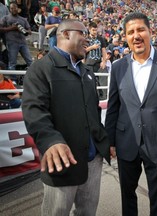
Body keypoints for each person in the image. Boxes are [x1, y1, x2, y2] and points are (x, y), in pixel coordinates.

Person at [22, 19, 111, 216]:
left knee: (87, 212)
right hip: (63, 162)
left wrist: (103, 140)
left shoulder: (88, 72)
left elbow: (94, 111)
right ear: (65, 34)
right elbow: (34, 111)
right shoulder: (41, 68)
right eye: (82, 34)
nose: (87, 39)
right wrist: (51, 141)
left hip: (92, 160)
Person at [105, 12, 157, 216]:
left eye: (140, 29)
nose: (136, 35)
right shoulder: (118, 67)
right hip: (126, 142)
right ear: (125, 37)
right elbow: (113, 106)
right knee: (127, 195)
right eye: (130, 32)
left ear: (150, 32)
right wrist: (110, 141)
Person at [0, 2, 33, 71]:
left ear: (17, 9)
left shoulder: (23, 19)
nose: (13, 9)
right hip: (12, 43)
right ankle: (13, 80)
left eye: (15, 8)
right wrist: (12, 28)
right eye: (11, 8)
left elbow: (30, 31)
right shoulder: (6, 18)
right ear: (9, 9)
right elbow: (0, 28)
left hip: (23, 43)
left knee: (30, 61)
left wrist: (24, 31)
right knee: (12, 63)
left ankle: (35, 77)